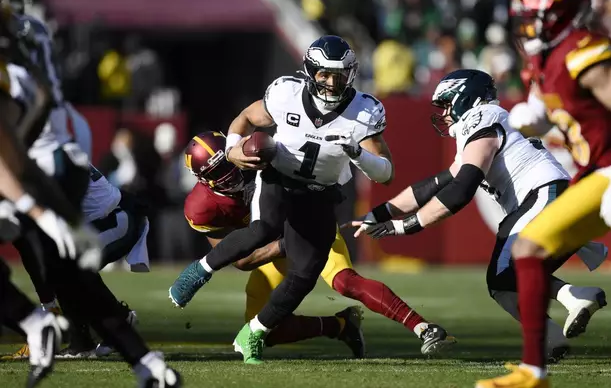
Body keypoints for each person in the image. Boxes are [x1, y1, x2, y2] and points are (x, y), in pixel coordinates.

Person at [171, 35, 421, 364]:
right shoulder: (285, 94)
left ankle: (261, 333)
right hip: (278, 196)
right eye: (324, 74)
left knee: (306, 277)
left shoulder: (363, 111)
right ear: (309, 71)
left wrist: (357, 153)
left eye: (339, 76)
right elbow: (242, 259)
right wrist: (233, 149)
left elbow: (386, 174)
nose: (331, 84)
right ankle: (197, 275)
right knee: (262, 228)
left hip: (316, 197)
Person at [347, 69, 609, 366]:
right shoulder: (483, 126)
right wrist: (378, 213)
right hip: (549, 198)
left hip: (544, 196)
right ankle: (554, 334)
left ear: (466, 98)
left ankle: (572, 302)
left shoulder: (481, 117)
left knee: (504, 272)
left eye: (447, 104)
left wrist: (402, 226)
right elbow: (433, 185)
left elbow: (461, 192)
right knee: (501, 285)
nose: (444, 114)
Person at [0, 8, 181, 387]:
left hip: (102, 208)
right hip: (54, 172)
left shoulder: (22, 88)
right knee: (55, 261)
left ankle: (58, 324)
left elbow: (34, 128)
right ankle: (89, 339)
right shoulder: (27, 71)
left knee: (64, 267)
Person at [473, 0, 611, 387]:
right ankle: (534, 370)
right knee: (529, 249)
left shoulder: (580, 49)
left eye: (535, 19)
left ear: (560, 16)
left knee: (527, 248)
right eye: (524, 20)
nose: (528, 28)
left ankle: (535, 369)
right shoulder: (544, 59)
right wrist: (530, 118)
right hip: (597, 171)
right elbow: (546, 107)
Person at [172, 131, 454, 357]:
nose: (234, 173)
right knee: (268, 331)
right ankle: (341, 326)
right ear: (204, 181)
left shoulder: (259, 153)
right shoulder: (201, 208)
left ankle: (422, 326)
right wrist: (286, 245)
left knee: (345, 282)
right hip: (270, 248)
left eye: (231, 163)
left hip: (309, 222)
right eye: (221, 172)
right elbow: (241, 260)